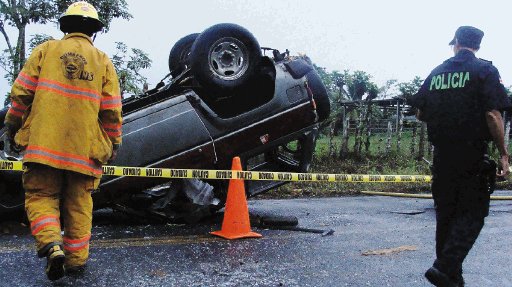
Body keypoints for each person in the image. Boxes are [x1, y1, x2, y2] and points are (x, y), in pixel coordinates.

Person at [3, 1, 122, 281]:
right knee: (79, 205)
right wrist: (113, 144)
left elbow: (21, 95)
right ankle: (76, 263)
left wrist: (11, 126)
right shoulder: (102, 61)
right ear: (94, 30)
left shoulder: (45, 50)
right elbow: (112, 111)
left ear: (65, 26)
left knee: (42, 197)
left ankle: (52, 244)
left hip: (43, 148)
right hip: (84, 153)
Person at [408, 26, 510, 286]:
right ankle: (445, 267)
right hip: (471, 154)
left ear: (456, 43)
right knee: (474, 213)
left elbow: (420, 113)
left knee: (446, 216)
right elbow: (492, 114)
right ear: (477, 46)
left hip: (442, 157)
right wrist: (504, 154)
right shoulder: (485, 71)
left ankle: (452, 278)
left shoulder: (437, 72)